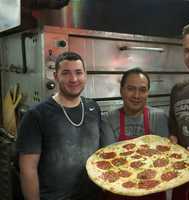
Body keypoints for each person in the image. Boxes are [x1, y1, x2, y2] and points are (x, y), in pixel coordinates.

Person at [16, 52, 107, 200]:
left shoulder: (93, 107)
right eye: (66, 73)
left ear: (86, 75)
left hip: (93, 195)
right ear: (56, 76)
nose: (74, 79)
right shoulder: (36, 115)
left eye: (78, 72)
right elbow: (28, 170)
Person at [103, 67, 169, 200]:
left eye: (142, 90)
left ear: (148, 93)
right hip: (118, 189)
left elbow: (164, 160)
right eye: (131, 88)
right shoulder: (108, 119)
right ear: (121, 90)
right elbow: (111, 162)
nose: (137, 95)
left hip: (153, 189)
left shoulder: (159, 117)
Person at [169, 20, 189, 200]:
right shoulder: (178, 90)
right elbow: (174, 129)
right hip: (183, 179)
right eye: (188, 50)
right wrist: (172, 138)